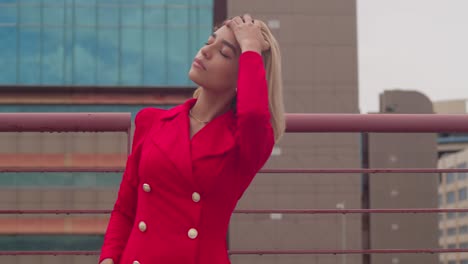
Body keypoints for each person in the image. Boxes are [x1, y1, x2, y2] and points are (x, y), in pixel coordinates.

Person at [99, 14, 285, 264]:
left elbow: (253, 114)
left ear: (244, 75)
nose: (206, 51)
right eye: (209, 41)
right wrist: (108, 258)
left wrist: (251, 47)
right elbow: (125, 208)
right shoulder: (151, 122)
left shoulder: (247, 142)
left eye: (225, 53)